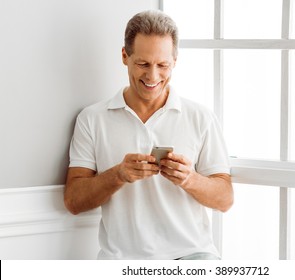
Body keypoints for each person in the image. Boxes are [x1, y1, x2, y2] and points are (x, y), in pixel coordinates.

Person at [64, 10, 233, 260]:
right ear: (125, 56)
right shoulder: (92, 119)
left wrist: (189, 178)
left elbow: (225, 199)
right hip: (120, 260)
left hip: (192, 257)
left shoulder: (201, 117)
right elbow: (73, 201)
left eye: (162, 65)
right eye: (143, 63)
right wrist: (118, 175)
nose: (152, 76)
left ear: (174, 61)